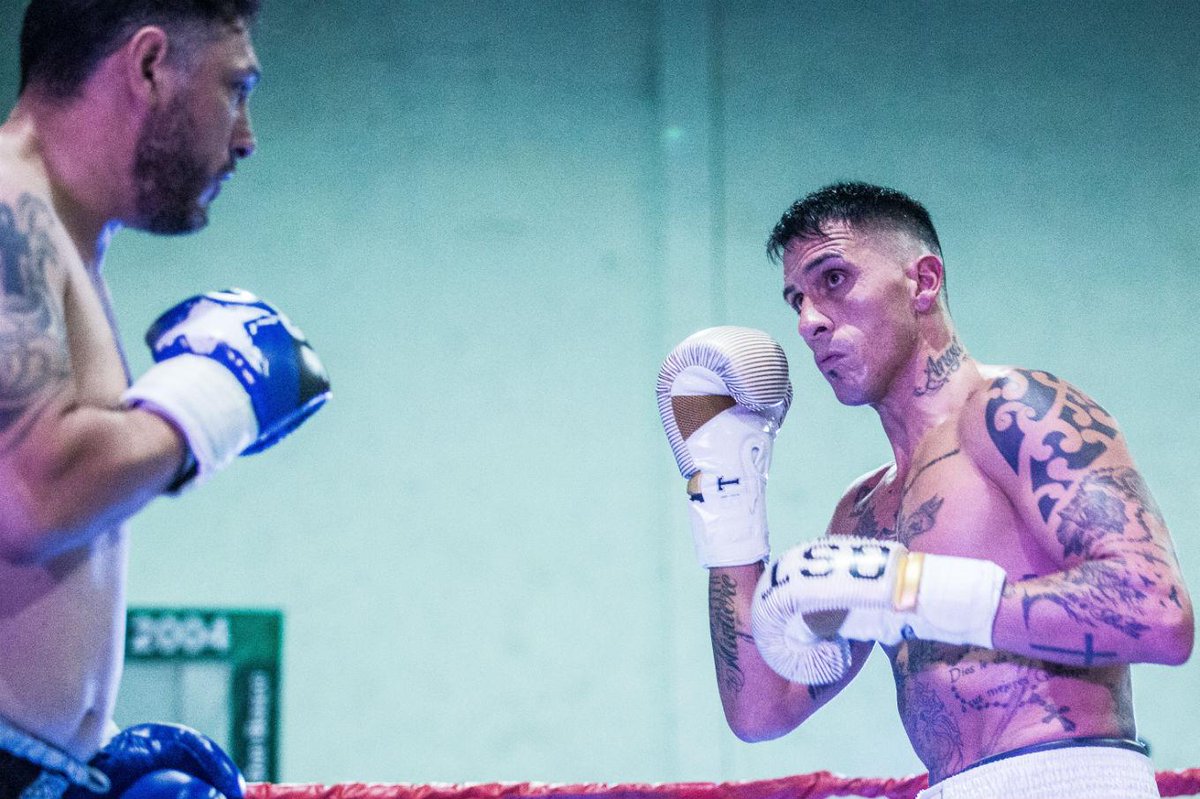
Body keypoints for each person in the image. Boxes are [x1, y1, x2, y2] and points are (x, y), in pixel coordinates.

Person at [657, 182, 1193, 798]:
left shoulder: (1017, 411)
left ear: (924, 281)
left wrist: (911, 591)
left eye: (832, 279)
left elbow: (1159, 614)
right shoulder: (863, 512)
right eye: (795, 300)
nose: (808, 321)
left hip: (1073, 778)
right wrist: (727, 501)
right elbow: (760, 710)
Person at [0, 2, 328, 798]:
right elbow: (33, 493)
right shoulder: (9, 213)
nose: (245, 135)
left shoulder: (59, 239)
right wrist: (216, 396)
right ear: (149, 66)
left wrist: (81, 747)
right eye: (234, 87)